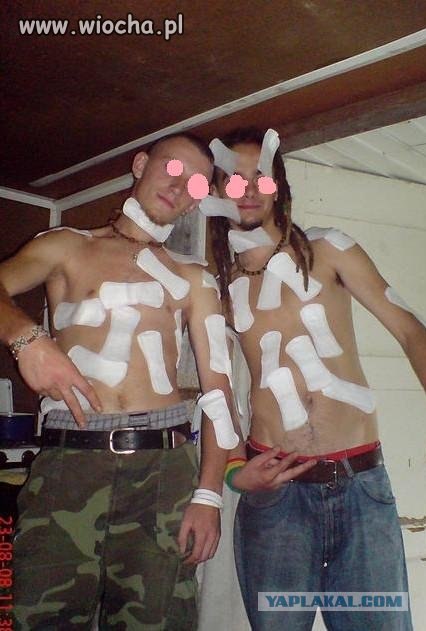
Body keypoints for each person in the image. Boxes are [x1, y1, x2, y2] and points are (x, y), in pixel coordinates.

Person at [0, 132, 248, 630]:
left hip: (163, 469)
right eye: (172, 168)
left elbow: (219, 396)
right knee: (43, 618)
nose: (179, 187)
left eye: (195, 185)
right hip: (70, 463)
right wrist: (28, 341)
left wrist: (208, 496)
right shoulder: (66, 245)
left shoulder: (194, 278)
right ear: (139, 164)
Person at [208, 126, 426, 630]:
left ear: (279, 187)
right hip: (275, 497)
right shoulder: (217, 286)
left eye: (260, 177)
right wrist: (232, 473)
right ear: (215, 192)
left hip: (360, 488)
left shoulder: (329, 250)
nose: (247, 190)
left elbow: (411, 331)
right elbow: (215, 395)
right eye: (233, 180)